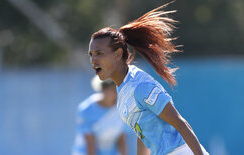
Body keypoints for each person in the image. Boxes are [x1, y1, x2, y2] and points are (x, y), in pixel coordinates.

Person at [87, 2, 209, 155]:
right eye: (91, 55)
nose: (93, 60)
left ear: (118, 54)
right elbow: (144, 134)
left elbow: (181, 123)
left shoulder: (140, 85)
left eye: (99, 53)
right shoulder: (123, 92)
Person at [72, 76, 127, 155]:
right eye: (113, 89)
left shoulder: (121, 108)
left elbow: (121, 138)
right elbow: (90, 143)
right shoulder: (86, 109)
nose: (117, 93)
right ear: (103, 89)